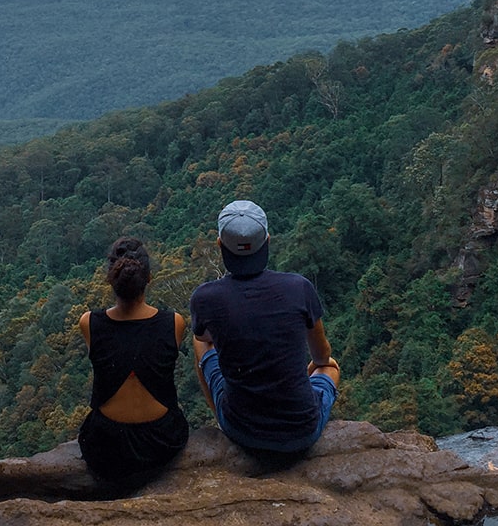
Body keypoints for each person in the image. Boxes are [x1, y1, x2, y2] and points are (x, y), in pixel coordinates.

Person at [189, 200, 340, 454]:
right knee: (330, 368)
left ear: (219, 245)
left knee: (199, 340)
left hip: (242, 431)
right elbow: (321, 356)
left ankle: (221, 418)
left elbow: (206, 337)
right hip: (302, 431)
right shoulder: (299, 287)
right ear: (267, 240)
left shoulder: (205, 297)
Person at [77, 237, 189, 485]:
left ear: (111, 281)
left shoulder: (89, 323)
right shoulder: (174, 323)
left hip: (107, 446)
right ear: (148, 279)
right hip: (162, 440)